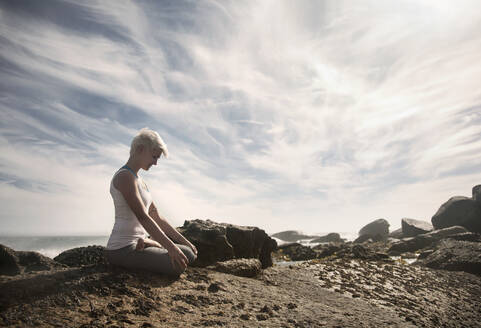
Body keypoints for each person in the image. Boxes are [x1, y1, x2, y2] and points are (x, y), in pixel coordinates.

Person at [104, 128, 197, 277]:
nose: (155, 163)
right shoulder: (125, 177)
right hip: (122, 249)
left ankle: (149, 242)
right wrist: (171, 249)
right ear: (140, 149)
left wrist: (185, 242)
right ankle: (151, 243)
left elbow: (155, 215)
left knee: (188, 253)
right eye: (154, 157)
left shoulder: (140, 181)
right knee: (178, 266)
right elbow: (143, 216)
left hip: (138, 245)